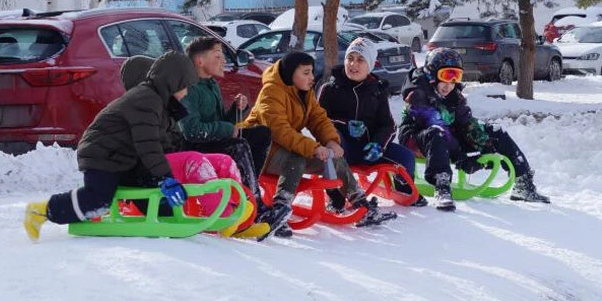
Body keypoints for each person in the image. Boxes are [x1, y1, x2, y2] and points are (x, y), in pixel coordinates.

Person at [23, 52, 268, 241]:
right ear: (173, 83)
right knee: (97, 200)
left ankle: (236, 217)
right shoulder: (145, 100)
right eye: (184, 87)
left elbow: (164, 145)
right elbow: (148, 143)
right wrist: (166, 178)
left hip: (131, 160)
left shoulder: (162, 104)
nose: (185, 94)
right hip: (106, 158)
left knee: (205, 174)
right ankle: (43, 211)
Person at [241, 51, 397, 237]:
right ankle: (279, 209)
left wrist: (331, 141)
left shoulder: (305, 93)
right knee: (297, 159)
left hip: (289, 149)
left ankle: (361, 204)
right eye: (306, 73)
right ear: (291, 74)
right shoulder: (271, 92)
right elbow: (279, 131)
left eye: (312, 72)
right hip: (261, 153)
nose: (312, 78)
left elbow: (319, 119)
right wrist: (314, 148)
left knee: (335, 160)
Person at [397, 47, 550, 211]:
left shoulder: (454, 94)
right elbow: (434, 122)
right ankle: (442, 187)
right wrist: (460, 155)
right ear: (432, 74)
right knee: (437, 132)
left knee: (496, 132)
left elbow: (466, 123)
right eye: (446, 76)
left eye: (455, 76)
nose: (450, 84)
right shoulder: (417, 93)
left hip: (447, 136)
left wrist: (486, 146)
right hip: (417, 138)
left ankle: (524, 184)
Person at [318, 37, 426, 207]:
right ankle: (336, 196)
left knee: (406, 157)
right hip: (343, 149)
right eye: (350, 58)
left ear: (370, 65)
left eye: (360, 60)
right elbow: (318, 120)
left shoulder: (377, 90)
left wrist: (378, 144)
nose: (354, 64)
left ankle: (403, 191)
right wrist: (344, 124)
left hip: (369, 148)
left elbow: (388, 124)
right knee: (333, 142)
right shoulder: (330, 88)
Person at [179, 37, 272, 207]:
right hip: (195, 148)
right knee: (239, 145)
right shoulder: (188, 88)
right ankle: (252, 203)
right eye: (217, 56)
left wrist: (236, 110)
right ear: (200, 61)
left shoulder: (211, 84)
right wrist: (227, 129)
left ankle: (249, 192)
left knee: (262, 134)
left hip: (212, 141)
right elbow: (192, 131)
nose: (224, 61)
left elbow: (220, 122)